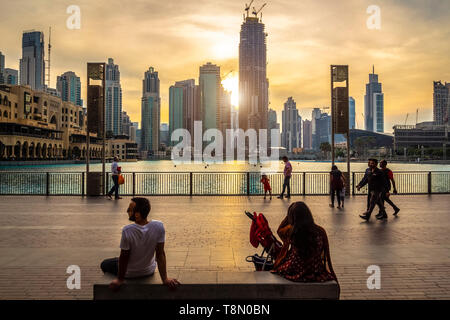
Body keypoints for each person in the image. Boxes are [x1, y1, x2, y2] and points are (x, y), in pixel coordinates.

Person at [100, 197, 180, 291]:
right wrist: (165, 279)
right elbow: (160, 254)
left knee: (105, 263)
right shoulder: (158, 226)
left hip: (129, 273)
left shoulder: (127, 230)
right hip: (149, 270)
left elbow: (124, 257)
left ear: (137, 215)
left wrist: (119, 279)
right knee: (117, 259)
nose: (127, 211)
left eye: (130, 209)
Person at [271, 202, 339, 287]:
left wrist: (289, 216)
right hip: (315, 269)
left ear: (293, 217)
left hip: (296, 269)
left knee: (278, 267)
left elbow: (279, 231)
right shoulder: (320, 231)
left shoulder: (292, 231)